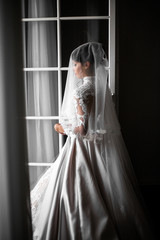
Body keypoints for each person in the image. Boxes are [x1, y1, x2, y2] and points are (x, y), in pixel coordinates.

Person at [31, 42, 153, 240]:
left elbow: (82, 129)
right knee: (105, 185)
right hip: (98, 145)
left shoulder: (80, 91)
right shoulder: (101, 87)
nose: (73, 69)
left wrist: (61, 128)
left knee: (74, 188)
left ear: (86, 64)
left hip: (81, 147)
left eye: (75, 65)